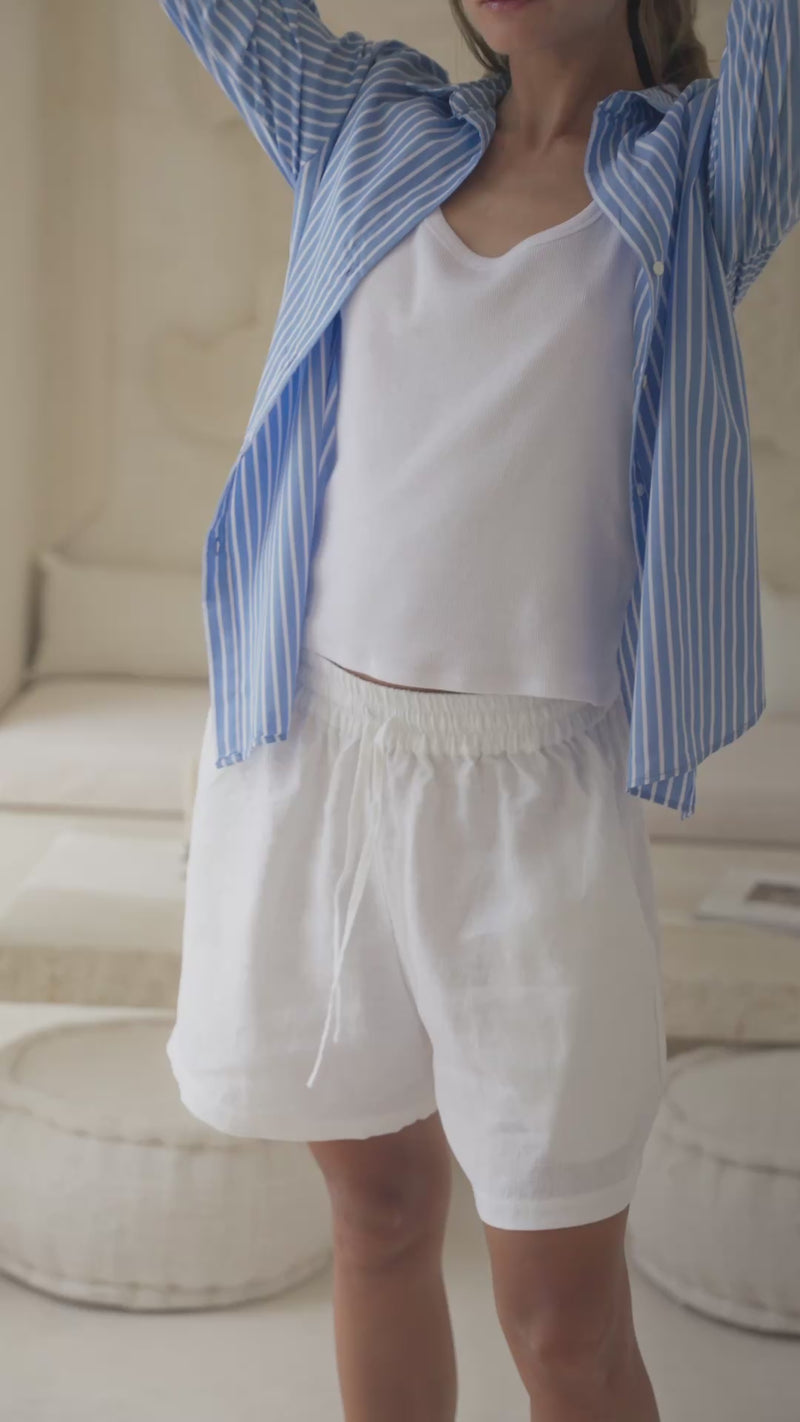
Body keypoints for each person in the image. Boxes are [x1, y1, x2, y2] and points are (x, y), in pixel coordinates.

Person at [158, 2, 799, 1418]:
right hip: (313, 762)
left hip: (529, 805)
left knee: (563, 1318)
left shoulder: (703, 173)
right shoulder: (362, 125)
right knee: (380, 1209)